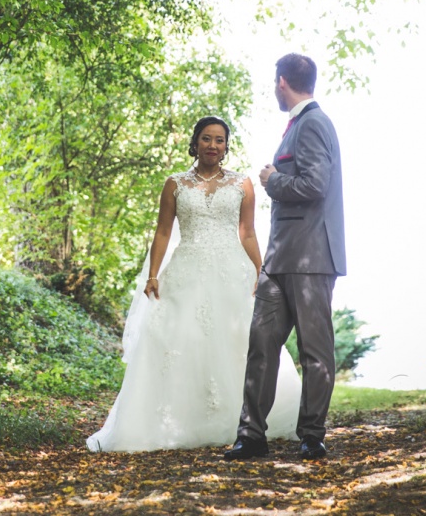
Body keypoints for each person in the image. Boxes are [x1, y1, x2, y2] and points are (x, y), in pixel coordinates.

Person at [86, 116, 300, 452]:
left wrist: (261, 270)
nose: (213, 146)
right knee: (182, 339)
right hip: (187, 271)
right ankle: (180, 422)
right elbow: (162, 232)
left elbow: (247, 232)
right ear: (195, 142)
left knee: (239, 341)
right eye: (206, 139)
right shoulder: (175, 184)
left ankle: (244, 421)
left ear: (226, 146)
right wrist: (153, 274)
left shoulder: (242, 183)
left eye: (219, 140)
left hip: (232, 272)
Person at [225, 53, 346, 463]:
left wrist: (272, 180)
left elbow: (315, 184)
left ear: (281, 82)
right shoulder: (298, 124)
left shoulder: (313, 123)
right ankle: (250, 435)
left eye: (273, 82)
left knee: (315, 353)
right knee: (261, 344)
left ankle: (312, 436)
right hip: (278, 260)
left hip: (311, 257)